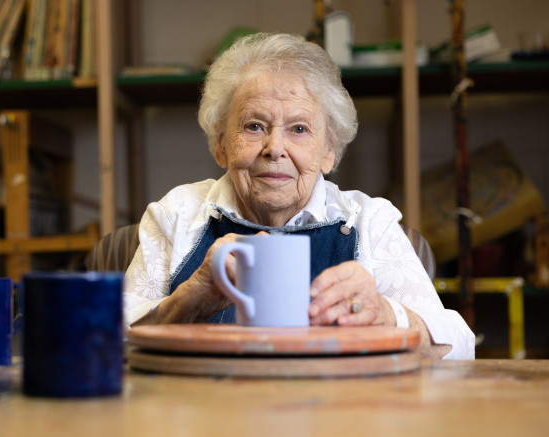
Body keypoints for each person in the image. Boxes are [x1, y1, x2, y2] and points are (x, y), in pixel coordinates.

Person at [122, 33, 474, 359]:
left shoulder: (369, 223)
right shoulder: (178, 215)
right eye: (254, 126)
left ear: (328, 151)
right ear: (220, 143)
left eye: (299, 129)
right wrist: (188, 300)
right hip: (203, 404)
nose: (275, 148)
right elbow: (105, 336)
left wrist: (386, 314)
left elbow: (460, 347)